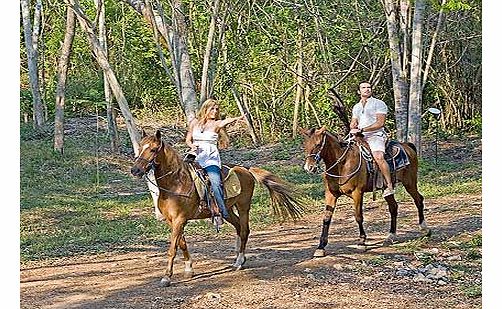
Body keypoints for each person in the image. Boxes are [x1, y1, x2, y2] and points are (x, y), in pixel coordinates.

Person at [185, 98, 245, 228]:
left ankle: (221, 211)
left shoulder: (217, 124)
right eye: (212, 108)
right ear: (205, 109)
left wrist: (238, 118)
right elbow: (188, 139)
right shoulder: (194, 123)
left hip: (210, 159)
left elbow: (226, 121)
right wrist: (192, 146)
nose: (215, 111)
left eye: (217, 109)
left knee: (215, 181)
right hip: (195, 156)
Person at [349, 81, 394, 197]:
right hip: (359, 137)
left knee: (378, 157)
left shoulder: (379, 104)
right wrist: (353, 126)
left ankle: (389, 185)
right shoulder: (356, 107)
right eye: (364, 87)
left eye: (369, 87)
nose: (367, 89)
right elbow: (354, 121)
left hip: (376, 135)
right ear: (359, 91)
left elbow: (380, 123)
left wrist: (363, 130)